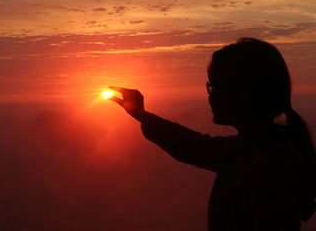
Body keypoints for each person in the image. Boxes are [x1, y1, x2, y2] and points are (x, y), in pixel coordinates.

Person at [108, 38, 316, 231]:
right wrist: (141, 115)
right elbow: (194, 145)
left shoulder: (269, 168)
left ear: (243, 92)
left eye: (214, 85)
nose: (210, 95)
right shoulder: (251, 149)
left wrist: (143, 116)